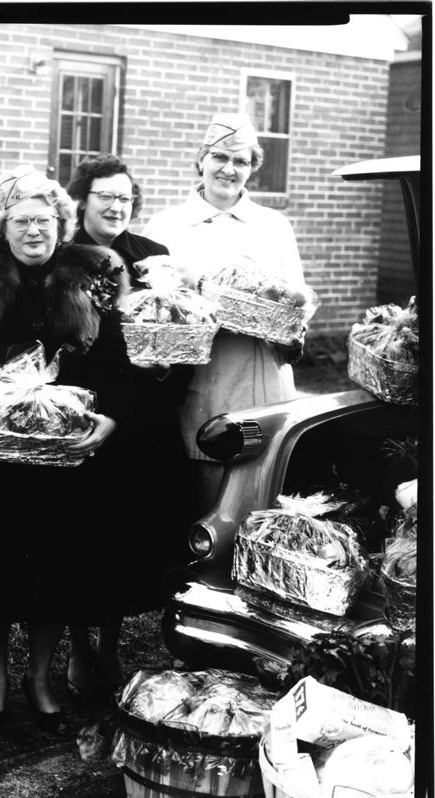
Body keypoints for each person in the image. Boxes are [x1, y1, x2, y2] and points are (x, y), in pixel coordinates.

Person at [0, 164, 132, 737]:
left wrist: (108, 417)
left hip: (63, 465)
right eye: (21, 220)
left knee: (55, 570)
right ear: (3, 225)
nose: (33, 231)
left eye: (44, 219)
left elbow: (116, 361)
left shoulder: (93, 276)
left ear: (62, 224)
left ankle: (39, 680)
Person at [63, 155, 197, 703]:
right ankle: (77, 644)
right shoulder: (63, 255)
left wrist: (166, 362)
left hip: (141, 413)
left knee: (125, 533)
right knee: (78, 534)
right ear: (82, 202)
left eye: (124, 197)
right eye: (105, 196)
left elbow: (182, 332)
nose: (116, 206)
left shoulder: (154, 258)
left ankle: (112, 642)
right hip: (81, 407)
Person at [143, 112, 308, 512]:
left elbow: (297, 307)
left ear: (253, 168)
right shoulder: (165, 227)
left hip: (265, 387)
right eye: (219, 157)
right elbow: (150, 313)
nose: (228, 169)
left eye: (241, 161)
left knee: (263, 509)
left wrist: (288, 324)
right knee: (206, 513)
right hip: (202, 391)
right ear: (201, 159)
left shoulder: (274, 226)